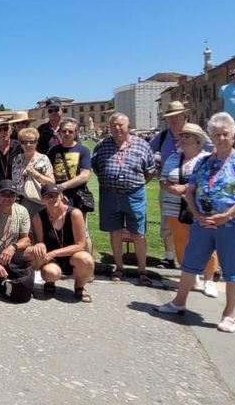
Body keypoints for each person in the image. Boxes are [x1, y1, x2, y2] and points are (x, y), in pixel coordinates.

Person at [156, 112, 235, 333]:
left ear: (233, 136)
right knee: (189, 265)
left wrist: (226, 216)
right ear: (211, 137)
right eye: (216, 134)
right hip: (203, 224)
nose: (221, 138)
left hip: (234, 226)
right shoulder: (204, 162)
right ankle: (179, 302)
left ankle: (229, 315)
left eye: (225, 134)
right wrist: (196, 214)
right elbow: (190, 192)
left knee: (234, 272)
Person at [91, 112, 156, 285]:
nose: (117, 128)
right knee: (115, 232)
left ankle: (142, 271)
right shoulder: (102, 145)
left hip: (133, 194)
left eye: (120, 125)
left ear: (128, 125)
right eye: (113, 125)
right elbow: (96, 167)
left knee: (138, 233)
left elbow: (150, 170)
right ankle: (119, 268)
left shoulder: (142, 145)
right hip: (110, 194)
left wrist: (136, 183)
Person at [148, 101, 211, 269]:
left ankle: (206, 264)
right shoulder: (161, 136)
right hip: (169, 186)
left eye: (176, 116)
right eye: (170, 117)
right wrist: (155, 162)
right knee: (168, 222)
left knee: (198, 224)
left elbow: (214, 152)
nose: (173, 119)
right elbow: (147, 151)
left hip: (194, 188)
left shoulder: (197, 134)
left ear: (185, 115)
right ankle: (169, 257)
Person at [159, 123, 218, 296]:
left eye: (188, 136)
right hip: (174, 208)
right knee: (182, 243)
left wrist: (186, 189)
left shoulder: (208, 159)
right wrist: (172, 188)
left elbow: (212, 182)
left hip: (201, 209)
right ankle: (191, 276)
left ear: (198, 141)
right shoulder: (172, 158)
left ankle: (209, 279)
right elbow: (163, 180)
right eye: (182, 136)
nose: (183, 139)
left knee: (207, 243)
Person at [25, 184, 94, 302]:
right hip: (51, 258)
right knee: (51, 273)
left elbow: (81, 244)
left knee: (86, 260)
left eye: (54, 195)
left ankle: (79, 287)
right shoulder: (38, 218)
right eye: (47, 197)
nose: (51, 199)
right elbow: (40, 243)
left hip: (72, 255)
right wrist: (39, 245)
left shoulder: (74, 214)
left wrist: (54, 253)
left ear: (61, 196)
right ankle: (50, 282)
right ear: (43, 200)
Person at [47, 118, 93, 253]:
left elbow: (85, 175)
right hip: (57, 198)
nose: (67, 133)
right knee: (59, 229)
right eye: (64, 131)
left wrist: (62, 187)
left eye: (70, 131)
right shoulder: (53, 151)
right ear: (59, 133)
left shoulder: (83, 150)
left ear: (76, 133)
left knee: (83, 232)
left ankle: (87, 264)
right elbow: (49, 173)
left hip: (77, 196)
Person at [11, 127, 55, 218]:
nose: (28, 144)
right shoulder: (17, 159)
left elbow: (51, 182)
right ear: (20, 143)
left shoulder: (42, 159)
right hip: (18, 201)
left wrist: (36, 174)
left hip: (35, 201)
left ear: (36, 143)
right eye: (24, 142)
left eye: (31, 141)